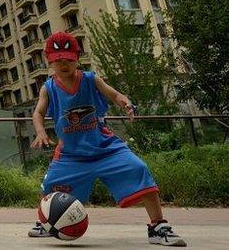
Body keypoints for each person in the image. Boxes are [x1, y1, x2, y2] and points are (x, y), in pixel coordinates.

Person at [28, 31, 186, 247]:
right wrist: (40, 131)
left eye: (68, 60)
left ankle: (158, 226)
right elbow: (38, 113)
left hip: (106, 149)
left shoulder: (91, 79)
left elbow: (115, 95)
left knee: (139, 169)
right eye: (58, 61)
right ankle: (47, 221)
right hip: (71, 155)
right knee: (51, 187)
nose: (63, 65)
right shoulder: (49, 88)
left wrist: (126, 103)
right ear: (49, 61)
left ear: (77, 59)